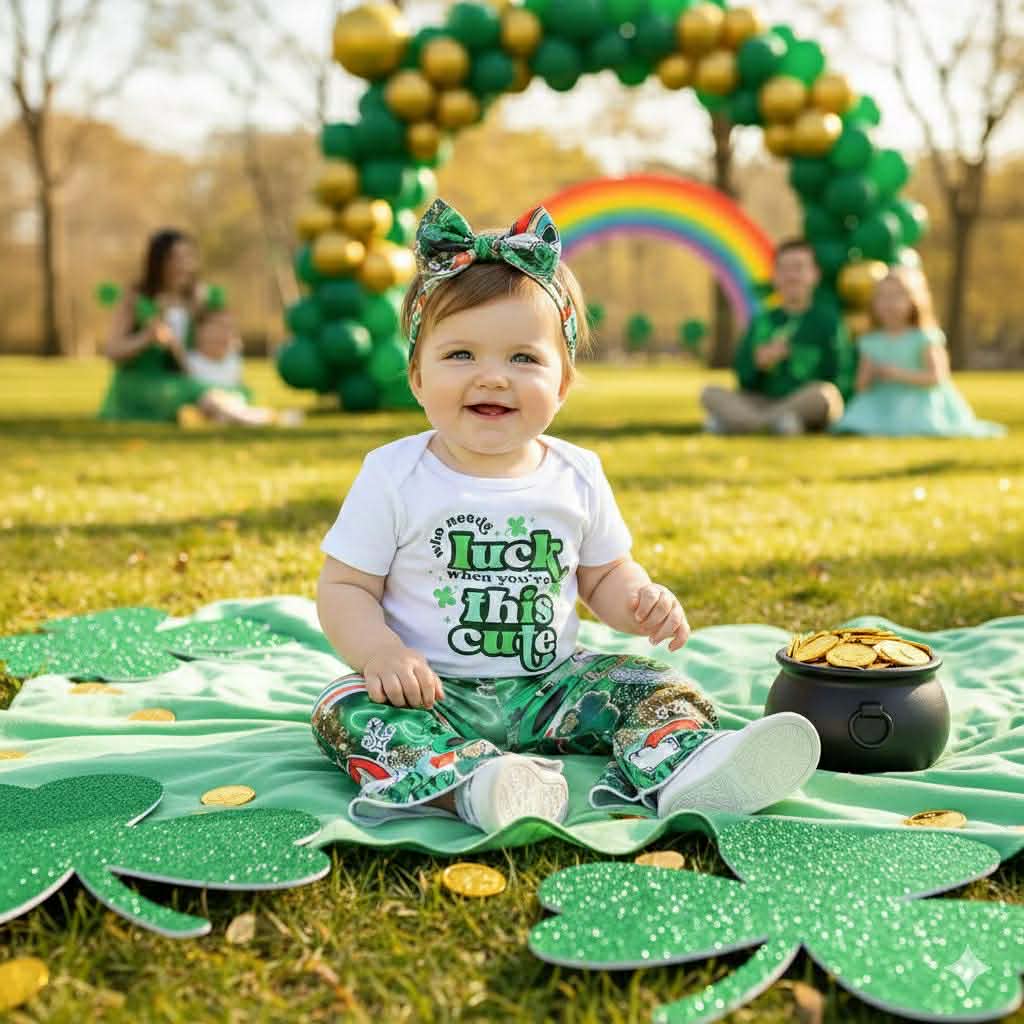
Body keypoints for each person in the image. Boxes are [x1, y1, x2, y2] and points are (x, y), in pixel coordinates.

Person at [311, 199, 821, 833]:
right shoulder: (394, 474)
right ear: (416, 377)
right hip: (431, 692)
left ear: (563, 385)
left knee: (652, 682)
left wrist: (639, 600)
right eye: (461, 355)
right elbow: (345, 587)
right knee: (344, 707)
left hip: (553, 689)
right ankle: (473, 786)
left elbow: (603, 576)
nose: (492, 378)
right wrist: (380, 652)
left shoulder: (576, 473)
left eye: (523, 359)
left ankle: (686, 767)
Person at [99, 228, 288, 427]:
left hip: (188, 379)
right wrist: (147, 337)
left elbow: (219, 343)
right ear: (157, 262)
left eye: (188, 257)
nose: (184, 265)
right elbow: (112, 352)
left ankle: (220, 415)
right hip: (145, 384)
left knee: (225, 393)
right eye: (175, 258)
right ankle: (250, 419)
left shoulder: (200, 299)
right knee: (200, 394)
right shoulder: (136, 300)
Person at [700, 239, 854, 435]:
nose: (791, 276)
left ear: (815, 274)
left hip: (805, 402)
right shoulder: (762, 321)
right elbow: (744, 380)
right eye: (784, 269)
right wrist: (758, 364)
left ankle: (742, 424)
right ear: (775, 276)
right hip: (763, 401)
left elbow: (841, 377)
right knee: (709, 393)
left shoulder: (828, 321)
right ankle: (774, 423)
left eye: (798, 268)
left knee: (823, 394)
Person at [833, 266, 1005, 438]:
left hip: (918, 402)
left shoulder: (924, 337)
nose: (889, 304)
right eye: (882, 297)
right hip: (882, 402)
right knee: (857, 424)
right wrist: (869, 375)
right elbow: (861, 385)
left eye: (896, 296)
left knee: (918, 425)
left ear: (914, 300)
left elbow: (937, 377)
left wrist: (897, 374)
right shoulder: (871, 341)